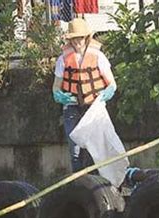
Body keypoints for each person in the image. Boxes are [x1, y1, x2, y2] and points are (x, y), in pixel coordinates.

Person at [52, 18, 117, 172]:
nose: (77, 42)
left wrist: (107, 93)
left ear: (86, 37)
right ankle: (79, 184)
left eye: (80, 37)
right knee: (75, 150)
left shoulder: (98, 56)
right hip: (71, 107)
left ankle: (96, 183)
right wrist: (59, 95)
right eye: (74, 38)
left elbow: (112, 84)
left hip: (93, 107)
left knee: (94, 148)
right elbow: (56, 86)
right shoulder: (63, 59)